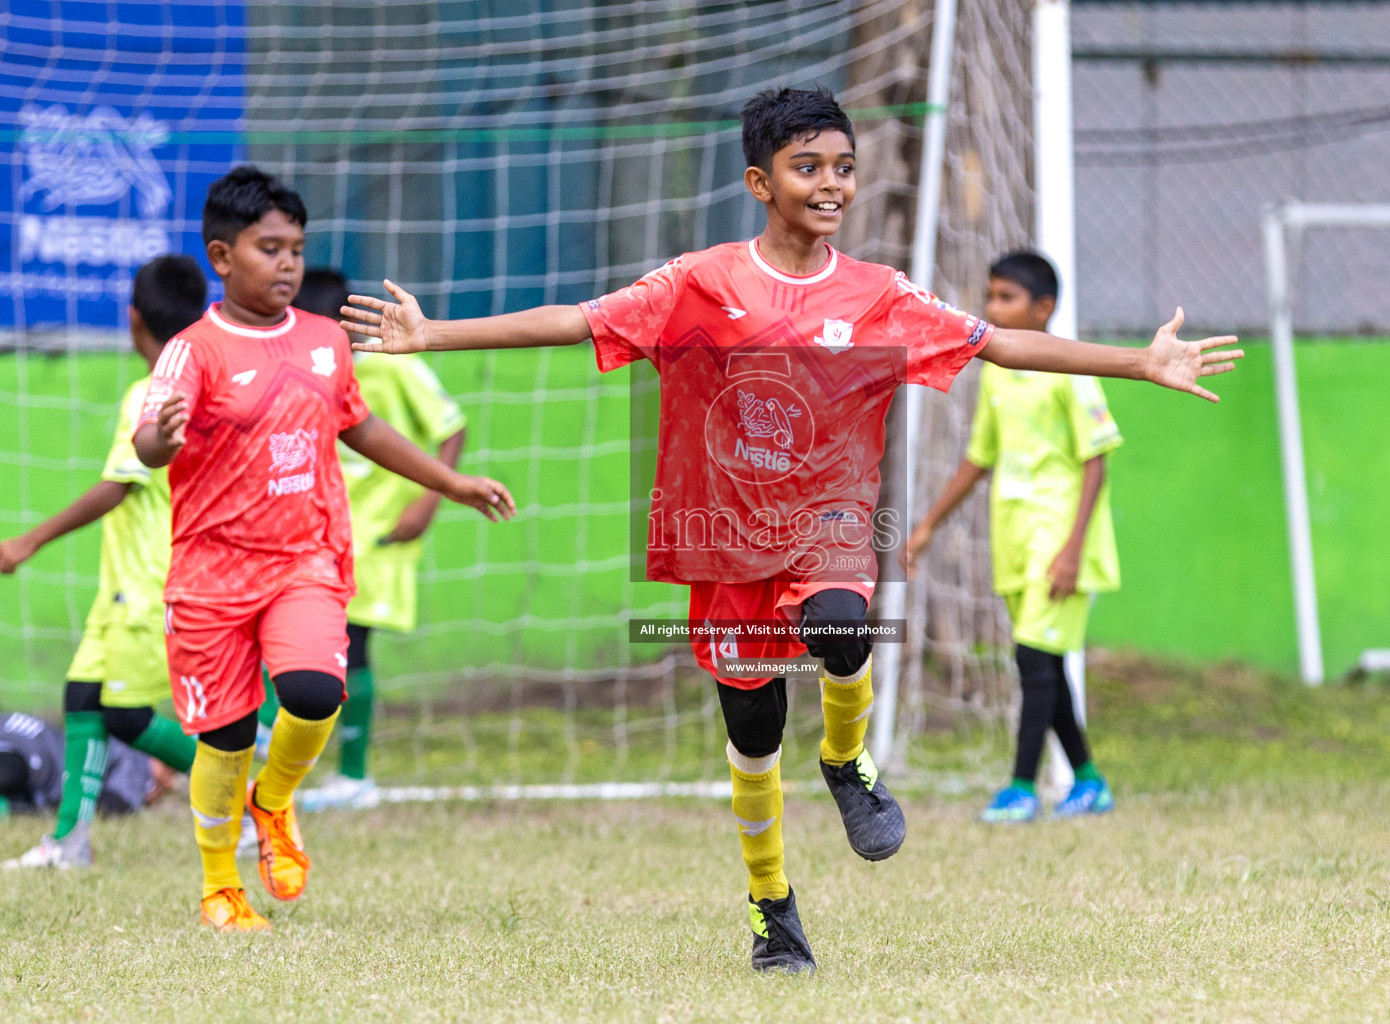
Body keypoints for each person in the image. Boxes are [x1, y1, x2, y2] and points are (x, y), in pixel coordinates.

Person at [342, 87, 1241, 973]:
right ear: (759, 182)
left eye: (844, 167)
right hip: (724, 537)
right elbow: (578, 321)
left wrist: (1139, 361)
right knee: (753, 732)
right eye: (807, 166)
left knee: (843, 626)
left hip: (831, 523)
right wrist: (437, 335)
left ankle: (848, 762)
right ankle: (774, 908)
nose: (831, 183)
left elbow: (1000, 345)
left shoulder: (880, 294)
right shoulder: (701, 281)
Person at [131, 166, 514, 932]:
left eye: (296, 249)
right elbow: (149, 438)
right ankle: (221, 889)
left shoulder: (326, 341)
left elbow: (360, 426)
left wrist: (449, 482)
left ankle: (273, 801)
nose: (287, 264)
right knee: (228, 735)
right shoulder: (192, 351)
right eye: (269, 248)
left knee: (313, 693)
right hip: (211, 573)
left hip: (306, 557)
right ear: (222, 256)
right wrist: (156, 440)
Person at [0, 254, 207, 868]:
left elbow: (118, 485)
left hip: (146, 585)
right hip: (125, 585)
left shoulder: (151, 393)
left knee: (123, 711)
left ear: (133, 319)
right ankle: (69, 842)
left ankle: (247, 797)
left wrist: (27, 542)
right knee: (83, 698)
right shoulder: (197, 385)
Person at [907, 250, 1120, 824]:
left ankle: (1022, 789)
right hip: (1015, 540)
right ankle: (1091, 782)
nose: (993, 307)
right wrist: (926, 526)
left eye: (1008, 298)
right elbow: (980, 458)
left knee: (1033, 659)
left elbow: (1097, 461)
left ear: (1044, 308)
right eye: (991, 296)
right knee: (1041, 664)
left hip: (1060, 544)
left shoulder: (1070, 370)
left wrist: (1073, 552)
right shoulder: (998, 371)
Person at [287, 268, 469, 810]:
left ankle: (353, 776)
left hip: (380, 534)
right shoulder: (304, 369)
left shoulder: (392, 368)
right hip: (322, 531)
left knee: (353, 645)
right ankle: (310, 769)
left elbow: (452, 426)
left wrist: (427, 502)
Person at [0, 711, 175, 824]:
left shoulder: (123, 749)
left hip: (26, 745)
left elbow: (110, 805)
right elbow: (112, 806)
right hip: (39, 760)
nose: (168, 784)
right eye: (169, 770)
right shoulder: (139, 763)